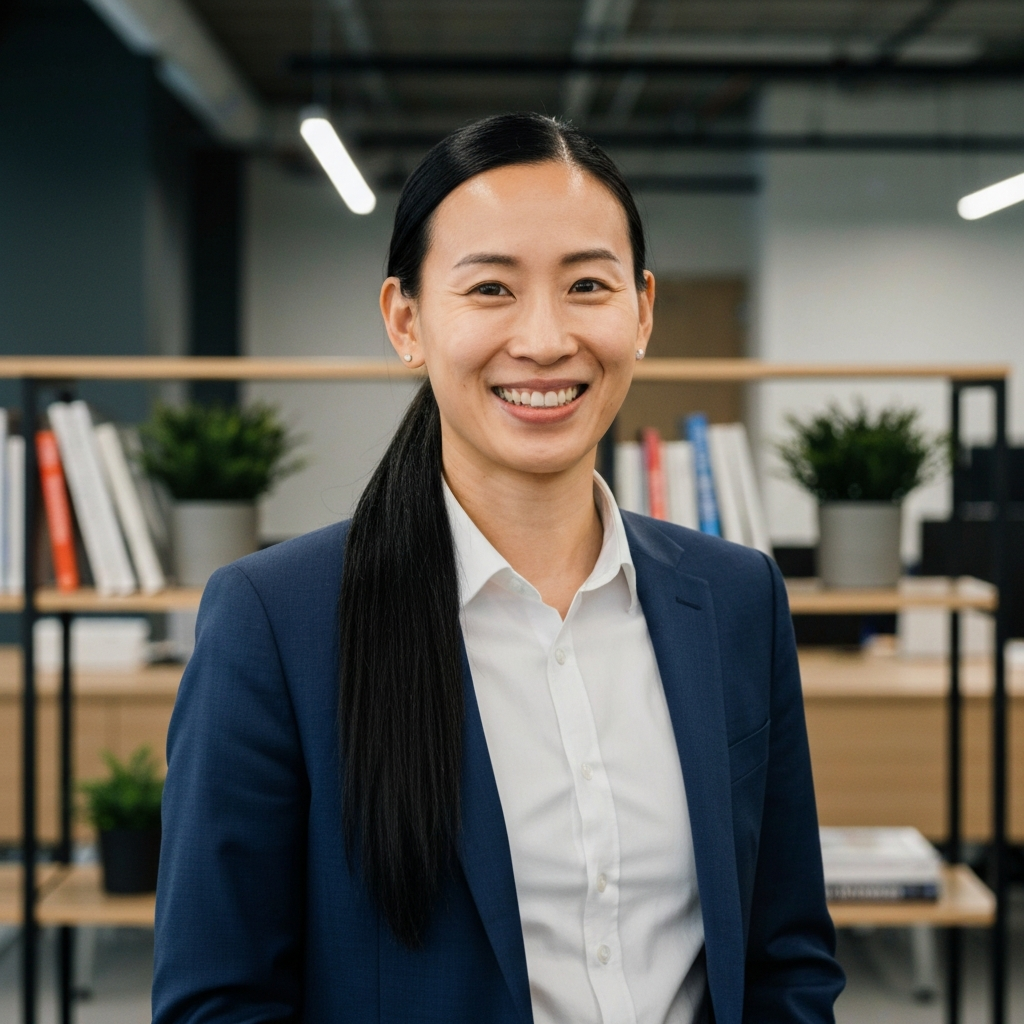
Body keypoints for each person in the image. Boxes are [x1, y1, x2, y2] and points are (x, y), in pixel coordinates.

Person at [153, 113, 844, 1024]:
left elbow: (785, 954)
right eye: (490, 290)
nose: (546, 339)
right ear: (406, 320)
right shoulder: (276, 622)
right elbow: (219, 1002)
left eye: (587, 285)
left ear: (641, 311)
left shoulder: (735, 598)